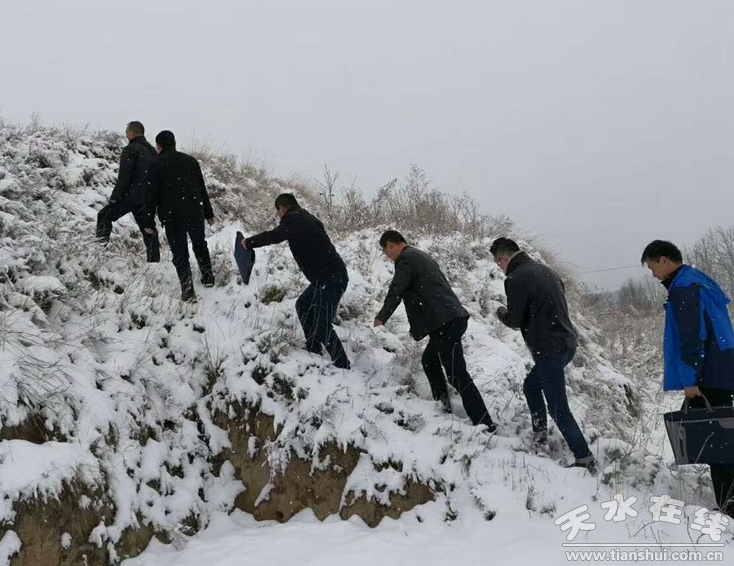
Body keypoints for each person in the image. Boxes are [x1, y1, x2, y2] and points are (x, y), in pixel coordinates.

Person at [642, 239, 734, 516]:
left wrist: (690, 380)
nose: (653, 274)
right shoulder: (699, 280)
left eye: (652, 267)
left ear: (664, 260)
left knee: (719, 442)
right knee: (724, 433)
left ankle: (729, 505)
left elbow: (691, 339)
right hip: (722, 367)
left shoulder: (684, 288)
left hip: (709, 373)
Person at [490, 237, 594, 470]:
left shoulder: (515, 279)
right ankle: (540, 436)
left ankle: (584, 458)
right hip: (567, 343)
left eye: (498, 263)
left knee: (558, 409)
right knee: (531, 386)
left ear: (503, 259)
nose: (500, 268)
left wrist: (501, 312)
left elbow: (515, 320)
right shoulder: (547, 271)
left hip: (548, 350)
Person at [375, 230, 495, 430]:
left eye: (385, 251)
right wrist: (417, 328)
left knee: (457, 375)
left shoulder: (405, 259)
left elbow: (397, 290)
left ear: (390, 245)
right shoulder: (419, 256)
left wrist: (381, 318)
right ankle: (443, 407)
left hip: (444, 323)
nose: (387, 256)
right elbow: (427, 292)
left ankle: (484, 423)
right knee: (430, 361)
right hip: (450, 319)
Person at [242, 194, 350, 369]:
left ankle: (342, 365)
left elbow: (274, 235)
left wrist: (249, 242)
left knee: (322, 325)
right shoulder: (306, 218)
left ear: (283, 208)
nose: (279, 216)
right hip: (324, 278)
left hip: (331, 278)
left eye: (278, 211)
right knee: (303, 305)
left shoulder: (294, 219)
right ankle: (314, 348)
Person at [143, 130, 215, 301]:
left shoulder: (155, 164)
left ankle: (188, 291)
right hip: (195, 212)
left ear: (158, 146)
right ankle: (208, 278)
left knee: (180, 254)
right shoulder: (191, 161)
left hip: (172, 216)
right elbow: (201, 188)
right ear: (174, 143)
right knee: (200, 245)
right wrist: (208, 212)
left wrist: (148, 222)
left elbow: (151, 195)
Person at [96, 121, 160, 262]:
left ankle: (98, 253)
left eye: (126, 132)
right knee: (148, 229)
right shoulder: (153, 151)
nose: (125, 135)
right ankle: (154, 262)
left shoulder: (130, 149)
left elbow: (125, 177)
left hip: (131, 197)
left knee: (104, 216)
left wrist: (115, 197)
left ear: (132, 132)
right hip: (147, 199)